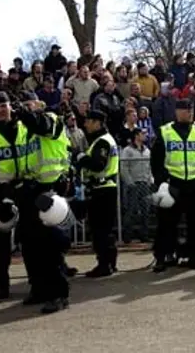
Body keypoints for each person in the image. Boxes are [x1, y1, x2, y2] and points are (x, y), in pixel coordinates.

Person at [0, 91, 57, 299]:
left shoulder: (24, 126)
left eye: (4, 106)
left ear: (11, 106)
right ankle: (2, 283)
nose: (0, 110)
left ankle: (34, 281)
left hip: (24, 189)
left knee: (29, 240)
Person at [17, 91, 72, 313]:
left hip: (50, 191)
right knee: (30, 245)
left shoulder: (51, 119)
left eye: (30, 103)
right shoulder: (24, 132)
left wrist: (25, 112)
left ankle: (58, 295)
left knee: (50, 248)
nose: (26, 107)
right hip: (31, 190)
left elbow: (40, 125)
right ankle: (38, 288)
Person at [151, 99, 195, 272]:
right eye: (186, 110)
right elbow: (156, 160)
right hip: (173, 183)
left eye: (191, 110)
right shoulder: (165, 131)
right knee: (166, 223)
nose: (189, 113)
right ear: (177, 112)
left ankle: (193, 256)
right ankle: (162, 257)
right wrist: (162, 182)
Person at [76, 110, 119, 277]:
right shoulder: (103, 140)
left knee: (100, 229)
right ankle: (110, 262)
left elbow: (98, 165)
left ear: (97, 123)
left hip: (102, 189)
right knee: (106, 229)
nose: (86, 125)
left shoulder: (101, 142)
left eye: (88, 121)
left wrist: (82, 158)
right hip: (106, 188)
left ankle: (104, 264)